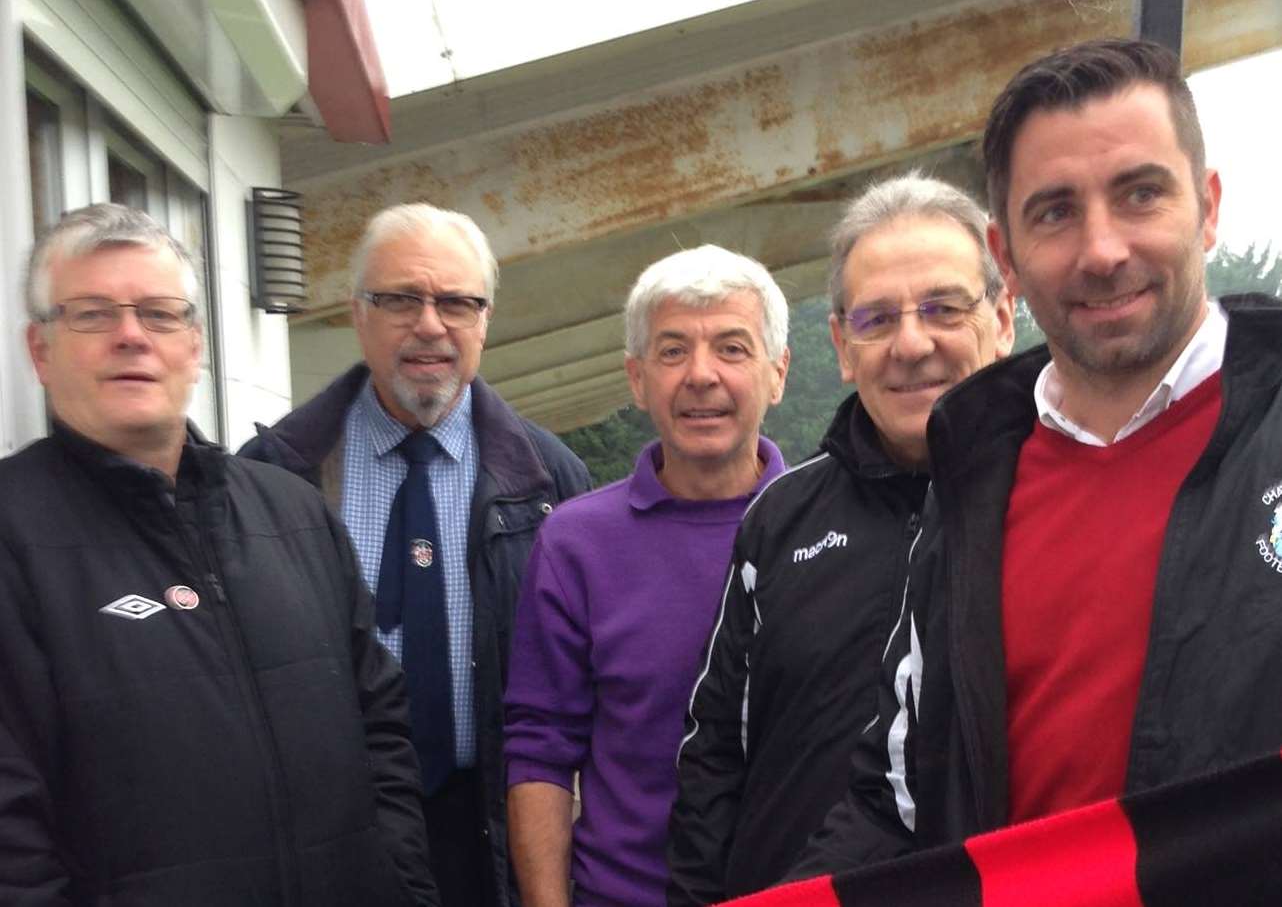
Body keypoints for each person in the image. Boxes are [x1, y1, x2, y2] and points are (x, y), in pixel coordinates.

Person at [797, 37, 1282, 877]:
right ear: (1008, 254)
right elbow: (898, 799)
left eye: (1140, 194)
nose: (1102, 250)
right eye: (1055, 211)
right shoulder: (973, 484)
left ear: (1207, 207)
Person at [0, 203, 436, 906]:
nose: (132, 337)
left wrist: (402, 886)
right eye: (92, 314)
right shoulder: (15, 537)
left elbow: (381, 728)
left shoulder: (292, 513)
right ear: (40, 349)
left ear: (195, 345)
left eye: (160, 314)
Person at [666, 174, 1015, 904]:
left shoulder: (1053, 502)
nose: (911, 344)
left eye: (943, 308)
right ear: (841, 346)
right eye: (877, 319)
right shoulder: (781, 518)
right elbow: (713, 756)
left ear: (1004, 317)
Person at [240, 203, 591, 907]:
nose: (430, 324)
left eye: (456, 302)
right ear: (357, 312)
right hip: (334, 843)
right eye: (401, 299)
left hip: (492, 841)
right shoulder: (274, 478)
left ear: (485, 320)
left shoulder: (553, 484)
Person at [503, 245, 791, 907]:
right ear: (636, 379)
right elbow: (540, 749)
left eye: (732, 348)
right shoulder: (576, 544)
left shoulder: (825, 526)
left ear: (778, 373)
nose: (701, 375)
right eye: (671, 352)